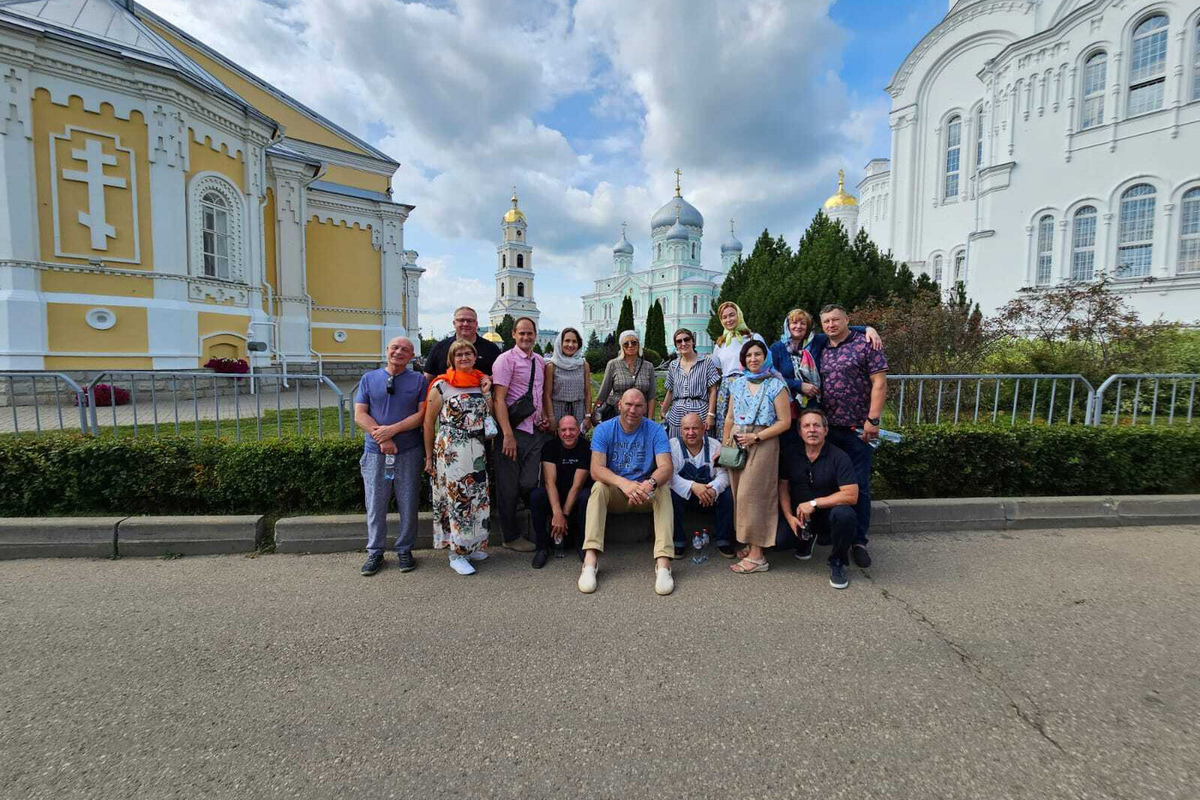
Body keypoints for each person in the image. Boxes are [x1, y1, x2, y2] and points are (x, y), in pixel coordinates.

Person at [581, 388, 675, 596]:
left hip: (644, 493)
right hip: (617, 492)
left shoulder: (655, 430)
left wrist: (649, 484)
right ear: (619, 405)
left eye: (638, 405)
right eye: (628, 405)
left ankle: (663, 563)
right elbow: (596, 469)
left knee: (663, 490)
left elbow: (666, 468)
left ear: (645, 408)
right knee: (598, 488)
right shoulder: (604, 429)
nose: (633, 410)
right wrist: (624, 484)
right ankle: (590, 561)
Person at [817, 304, 888, 569]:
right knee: (828, 483)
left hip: (859, 429)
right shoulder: (821, 345)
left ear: (847, 320)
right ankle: (833, 535)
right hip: (828, 430)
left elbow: (879, 383)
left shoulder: (866, 344)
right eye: (826, 321)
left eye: (836, 320)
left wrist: (873, 419)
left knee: (859, 486)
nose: (831, 325)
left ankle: (859, 541)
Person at [353, 337, 428, 576]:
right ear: (387, 351)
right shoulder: (369, 378)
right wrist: (383, 438)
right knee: (375, 503)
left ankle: (405, 549)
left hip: (409, 450)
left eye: (405, 349)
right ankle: (375, 551)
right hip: (376, 452)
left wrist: (393, 431)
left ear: (412, 355)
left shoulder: (418, 380)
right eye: (395, 348)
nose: (399, 352)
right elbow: (360, 414)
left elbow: (421, 415)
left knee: (408, 502)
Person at [423, 341, 494, 576]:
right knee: (457, 498)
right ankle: (456, 553)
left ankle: (471, 545)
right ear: (452, 359)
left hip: (476, 448)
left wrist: (487, 393)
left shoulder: (481, 382)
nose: (464, 357)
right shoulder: (441, 386)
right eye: (459, 354)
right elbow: (428, 422)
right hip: (451, 451)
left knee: (477, 497)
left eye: (468, 354)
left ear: (475, 358)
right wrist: (428, 457)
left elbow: (488, 415)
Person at [722, 339, 791, 574]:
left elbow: (785, 422)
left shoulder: (776, 385)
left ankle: (758, 556)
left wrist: (757, 438)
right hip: (737, 442)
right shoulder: (737, 384)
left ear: (766, 357)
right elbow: (730, 417)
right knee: (740, 496)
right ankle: (751, 544)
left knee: (755, 496)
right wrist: (724, 445)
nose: (753, 358)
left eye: (758, 354)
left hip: (763, 442)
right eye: (749, 355)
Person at [777, 407, 861, 589]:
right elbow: (782, 487)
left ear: (826, 430)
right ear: (799, 432)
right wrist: (788, 516)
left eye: (817, 425)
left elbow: (852, 495)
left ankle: (837, 561)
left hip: (828, 516)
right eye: (806, 426)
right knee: (780, 541)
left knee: (845, 516)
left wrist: (814, 503)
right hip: (800, 516)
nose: (812, 430)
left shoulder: (839, 457)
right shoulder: (790, 454)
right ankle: (807, 539)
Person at [492, 316, 549, 552]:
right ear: (513, 334)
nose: (526, 337)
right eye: (521, 333)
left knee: (528, 482)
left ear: (535, 335)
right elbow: (499, 399)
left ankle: (534, 525)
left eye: (530, 333)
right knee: (508, 487)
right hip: (513, 430)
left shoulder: (540, 361)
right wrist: (506, 434)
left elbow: (539, 394)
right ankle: (511, 535)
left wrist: (544, 416)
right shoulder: (505, 360)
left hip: (534, 432)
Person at [769, 309, 881, 413]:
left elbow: (842, 329)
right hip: (788, 404)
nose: (798, 326)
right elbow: (772, 377)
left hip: (815, 404)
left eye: (803, 323)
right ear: (787, 325)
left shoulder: (817, 341)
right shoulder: (777, 348)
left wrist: (868, 329)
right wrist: (798, 385)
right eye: (794, 323)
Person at [529, 415, 592, 569]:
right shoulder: (550, 446)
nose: (568, 433)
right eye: (564, 430)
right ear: (558, 431)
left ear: (578, 430)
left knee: (587, 496)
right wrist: (557, 513)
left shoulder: (586, 447)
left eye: (572, 429)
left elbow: (577, 486)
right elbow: (549, 482)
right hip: (555, 495)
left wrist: (563, 515)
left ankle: (582, 543)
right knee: (537, 496)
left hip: (576, 496)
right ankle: (542, 547)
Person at [669, 412, 734, 558]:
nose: (690, 433)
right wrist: (693, 486)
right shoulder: (672, 446)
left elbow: (724, 474)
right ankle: (678, 540)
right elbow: (669, 476)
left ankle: (723, 539)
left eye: (695, 428)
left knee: (728, 496)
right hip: (684, 496)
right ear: (681, 430)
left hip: (709, 496)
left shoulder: (715, 445)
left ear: (704, 428)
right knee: (670, 496)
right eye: (686, 429)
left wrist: (713, 489)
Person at [710, 301, 764, 436]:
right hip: (726, 386)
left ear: (739, 315)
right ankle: (727, 451)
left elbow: (765, 362)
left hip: (749, 383)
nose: (728, 320)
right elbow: (718, 369)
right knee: (725, 423)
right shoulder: (721, 343)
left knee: (746, 422)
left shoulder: (752, 337)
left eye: (731, 315)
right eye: (724, 317)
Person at [661, 328, 720, 438]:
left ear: (693, 341)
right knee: (676, 447)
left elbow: (713, 391)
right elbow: (670, 390)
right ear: (676, 345)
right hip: (677, 413)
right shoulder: (673, 365)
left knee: (702, 447)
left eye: (686, 339)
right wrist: (663, 410)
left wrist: (710, 415)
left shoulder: (706, 362)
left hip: (700, 412)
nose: (683, 343)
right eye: (679, 341)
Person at [594, 330, 656, 422]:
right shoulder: (613, 364)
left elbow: (651, 397)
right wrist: (594, 413)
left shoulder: (648, 366)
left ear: (639, 344)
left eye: (634, 343)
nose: (630, 346)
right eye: (626, 344)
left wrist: (650, 419)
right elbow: (604, 392)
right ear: (621, 347)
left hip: (641, 415)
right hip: (617, 414)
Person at [423, 306, 502, 378]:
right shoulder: (440, 348)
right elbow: (428, 377)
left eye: (470, 321)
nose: (465, 324)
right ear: (454, 323)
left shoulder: (491, 349)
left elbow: (500, 377)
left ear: (476, 324)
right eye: (461, 320)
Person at [543, 327, 592, 432]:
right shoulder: (552, 366)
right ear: (560, 343)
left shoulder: (583, 365)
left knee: (577, 442)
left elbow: (587, 392)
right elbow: (547, 394)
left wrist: (588, 416)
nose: (570, 345)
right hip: (558, 410)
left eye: (574, 341)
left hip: (578, 410)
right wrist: (551, 416)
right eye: (567, 341)